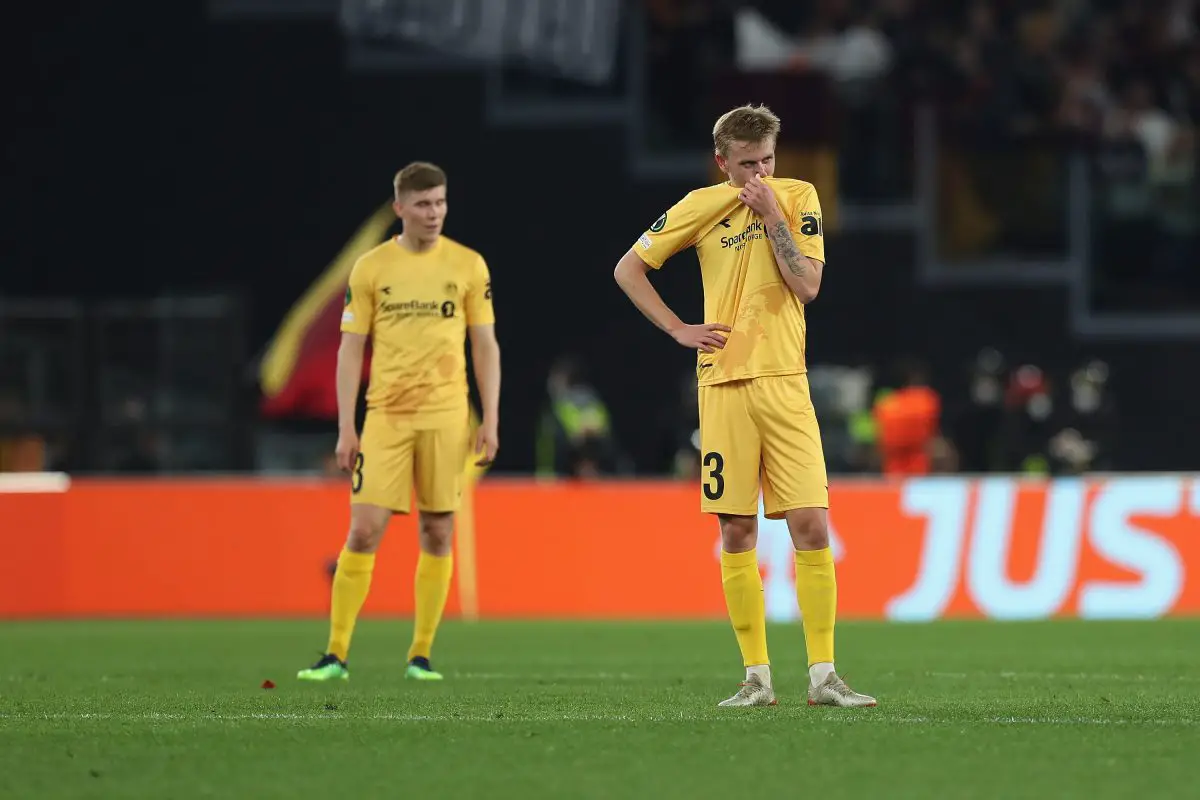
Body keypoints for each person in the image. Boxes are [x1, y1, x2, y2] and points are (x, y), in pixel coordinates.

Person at [612, 104, 875, 708]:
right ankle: (756, 678)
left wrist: (772, 216)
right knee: (736, 529)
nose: (759, 173)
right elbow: (628, 269)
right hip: (724, 385)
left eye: (768, 161)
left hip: (785, 380)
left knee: (811, 525)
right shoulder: (696, 207)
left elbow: (807, 286)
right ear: (722, 161)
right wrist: (678, 327)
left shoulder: (797, 196)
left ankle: (824, 676)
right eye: (747, 164)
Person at [298, 161, 501, 683]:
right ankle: (335, 653)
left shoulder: (468, 265)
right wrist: (347, 426)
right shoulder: (371, 268)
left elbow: (484, 345)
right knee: (364, 531)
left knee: (437, 530)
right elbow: (349, 350)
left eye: (440, 203)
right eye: (423, 205)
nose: (434, 213)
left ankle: (421, 655)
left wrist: (491, 417)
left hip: (446, 417)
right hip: (386, 417)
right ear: (400, 209)